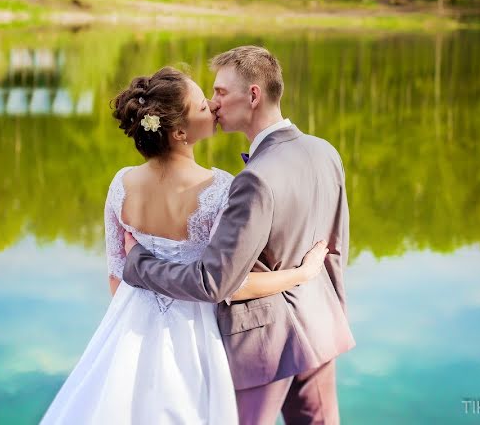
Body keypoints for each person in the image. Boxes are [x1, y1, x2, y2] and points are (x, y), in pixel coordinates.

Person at [40, 67, 329, 424]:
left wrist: (133, 328)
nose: (212, 104)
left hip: (128, 325)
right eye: (202, 106)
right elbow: (231, 286)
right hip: (196, 334)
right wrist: (302, 273)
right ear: (179, 132)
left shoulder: (121, 184)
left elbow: (116, 277)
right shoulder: (219, 189)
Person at [123, 46, 355, 425]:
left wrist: (140, 263)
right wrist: (333, 314)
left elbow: (213, 280)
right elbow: (336, 250)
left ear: (252, 96)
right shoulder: (325, 151)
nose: (213, 104)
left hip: (262, 347)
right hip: (321, 329)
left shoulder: (254, 179)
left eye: (219, 92)